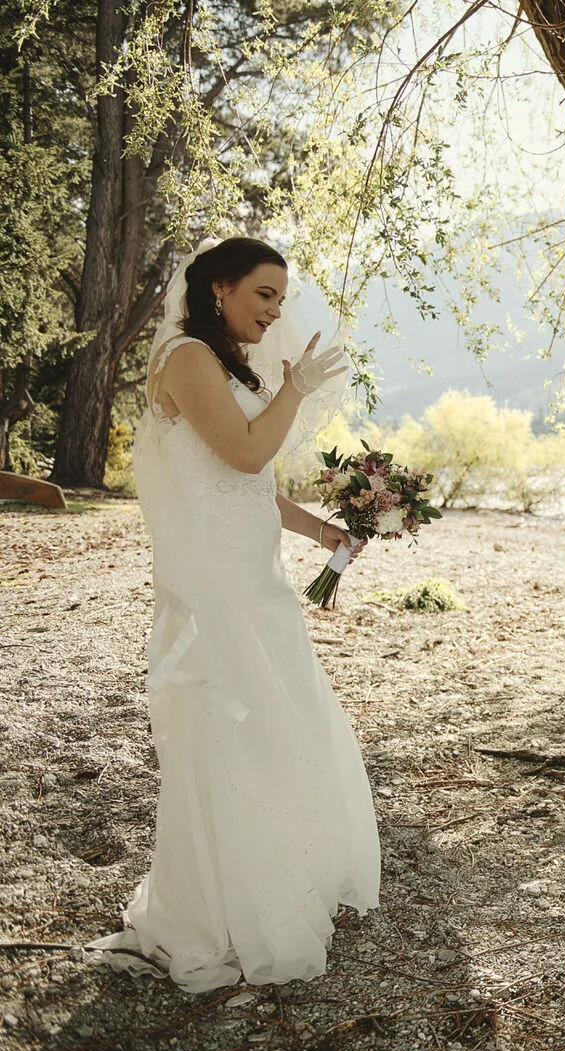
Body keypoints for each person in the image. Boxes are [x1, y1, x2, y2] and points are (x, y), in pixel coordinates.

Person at [88, 237, 381, 992]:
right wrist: (296, 391)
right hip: (211, 588)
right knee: (229, 733)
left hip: (255, 579)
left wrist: (320, 530)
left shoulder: (226, 366)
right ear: (218, 288)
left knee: (281, 727)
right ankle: (213, 915)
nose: (275, 312)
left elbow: (247, 482)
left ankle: (275, 885)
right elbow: (247, 452)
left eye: (281, 299)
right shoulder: (186, 357)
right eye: (263, 296)